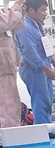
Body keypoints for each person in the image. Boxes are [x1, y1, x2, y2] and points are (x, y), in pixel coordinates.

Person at [15, 0, 55, 125]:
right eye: (42, 10)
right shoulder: (25, 28)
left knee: (46, 100)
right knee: (40, 101)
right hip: (34, 69)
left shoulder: (37, 25)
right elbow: (30, 52)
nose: (45, 14)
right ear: (31, 10)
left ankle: (47, 126)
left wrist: (53, 60)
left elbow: (43, 44)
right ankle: (43, 130)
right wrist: (47, 70)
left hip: (42, 67)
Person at [0, 0, 25, 128]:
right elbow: (5, 23)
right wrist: (17, 7)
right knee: (7, 103)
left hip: (6, 66)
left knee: (10, 102)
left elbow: (15, 25)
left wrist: (20, 11)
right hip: (3, 67)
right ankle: (9, 138)